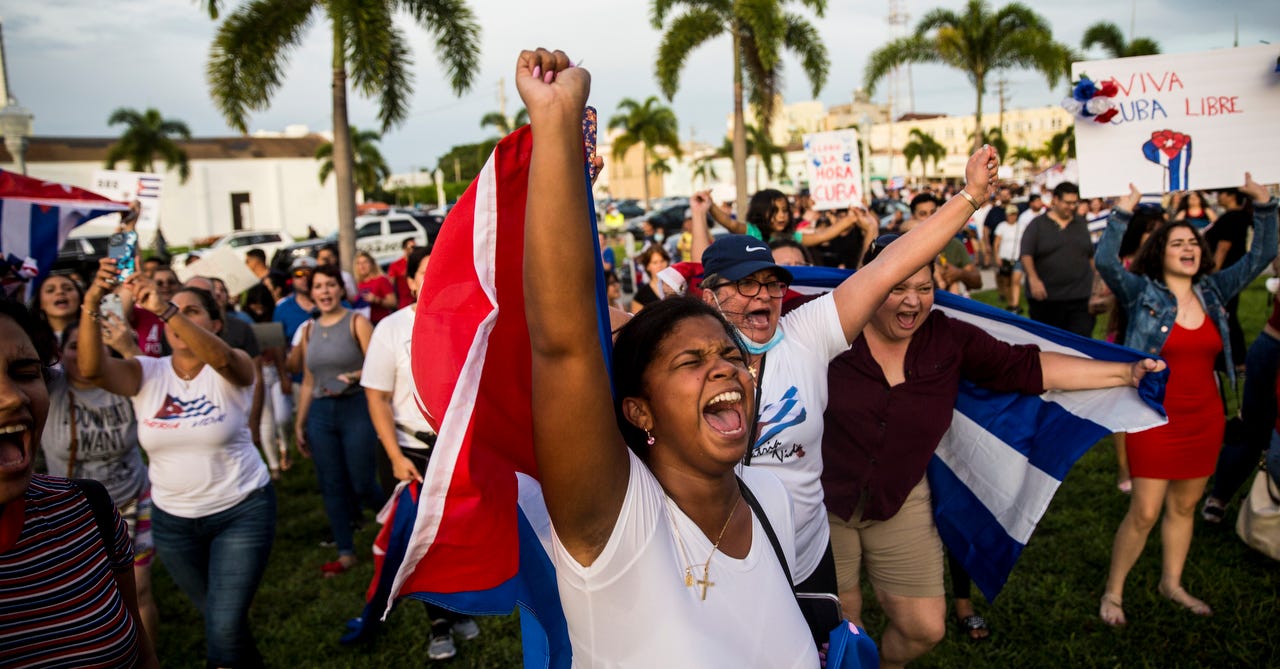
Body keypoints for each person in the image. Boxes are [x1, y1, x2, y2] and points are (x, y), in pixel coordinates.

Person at [518, 48, 816, 665]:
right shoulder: (615, 524)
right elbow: (565, 343)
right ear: (640, 411)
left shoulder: (773, 501)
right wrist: (555, 122)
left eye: (730, 353)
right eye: (689, 361)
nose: (725, 366)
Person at [820, 235, 1164, 668]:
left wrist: (1125, 373)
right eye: (896, 288)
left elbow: (1027, 368)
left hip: (900, 501)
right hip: (822, 505)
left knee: (925, 628)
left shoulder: (947, 338)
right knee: (843, 630)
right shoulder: (828, 327)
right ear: (868, 283)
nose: (912, 303)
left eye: (924, 289)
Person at [692, 127, 1000, 597]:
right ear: (709, 297)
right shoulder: (680, 353)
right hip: (718, 562)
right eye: (743, 285)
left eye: (771, 284)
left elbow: (890, 267)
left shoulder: (807, 332)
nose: (763, 297)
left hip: (805, 557)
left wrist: (971, 196)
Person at [1094, 177, 1277, 626]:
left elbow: (1260, 255)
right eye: (1178, 243)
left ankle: (1171, 583)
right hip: (1154, 419)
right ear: (1160, 251)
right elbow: (1105, 260)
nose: (1189, 249)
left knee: (1182, 507)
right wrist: (1123, 211)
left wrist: (1265, 204)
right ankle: (1113, 593)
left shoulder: (1213, 292)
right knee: (1146, 511)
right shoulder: (1142, 293)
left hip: (1204, 418)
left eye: (1193, 242)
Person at [79, 260, 274, 667]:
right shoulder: (145, 372)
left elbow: (222, 361)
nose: (178, 317)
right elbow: (92, 369)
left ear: (215, 324)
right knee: (223, 621)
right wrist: (93, 301)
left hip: (240, 511)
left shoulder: (233, 363)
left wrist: (165, 306)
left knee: (222, 626)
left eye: (192, 311)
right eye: (172, 312)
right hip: (174, 523)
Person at [0, 299, 159, 669]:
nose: (11, 398)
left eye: (24, 372)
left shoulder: (85, 509)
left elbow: (138, 648)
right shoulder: (61, 391)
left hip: (129, 500)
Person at [360, 246, 480, 659]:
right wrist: (395, 456)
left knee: (453, 535)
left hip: (454, 450)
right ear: (410, 281)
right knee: (420, 539)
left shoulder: (465, 323)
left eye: (440, 271)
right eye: (424, 273)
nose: (432, 279)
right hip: (409, 451)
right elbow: (376, 398)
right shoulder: (390, 329)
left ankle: (455, 605)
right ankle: (439, 624)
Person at [40, 318, 160, 645]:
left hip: (132, 500)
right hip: (71, 512)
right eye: (74, 346)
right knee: (83, 597)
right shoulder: (50, 386)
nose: (83, 354)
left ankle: (144, 656)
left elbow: (154, 376)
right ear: (59, 353)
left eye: (92, 345)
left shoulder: (123, 381)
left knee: (139, 590)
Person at [293, 265, 382, 575]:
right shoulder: (308, 330)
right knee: (331, 483)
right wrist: (299, 422)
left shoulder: (357, 322)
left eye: (331, 285)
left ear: (341, 290)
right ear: (312, 292)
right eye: (319, 286)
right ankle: (345, 551)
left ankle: (397, 523)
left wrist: (355, 375)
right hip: (321, 412)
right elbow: (307, 379)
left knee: (361, 482)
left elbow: (378, 365)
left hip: (355, 407)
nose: (325, 292)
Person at [707, 187, 859, 248]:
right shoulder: (753, 232)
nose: (781, 215)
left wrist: (851, 219)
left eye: (785, 210)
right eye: (774, 211)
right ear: (760, 212)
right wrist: (710, 205)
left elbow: (821, 235)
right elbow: (730, 224)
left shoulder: (792, 237)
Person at [1206, 187, 1253, 371]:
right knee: (1229, 313)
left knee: (1226, 314)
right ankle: (1235, 358)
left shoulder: (1231, 218)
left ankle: (1236, 359)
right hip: (1232, 270)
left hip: (1223, 272)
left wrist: (1214, 271)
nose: (1218, 197)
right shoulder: (1239, 216)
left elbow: (1223, 247)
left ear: (1231, 196)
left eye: (1221, 193)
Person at [901, 194, 981, 294]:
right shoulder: (903, 244)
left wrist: (959, 274)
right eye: (923, 214)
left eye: (933, 213)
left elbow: (977, 282)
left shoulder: (954, 244)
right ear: (912, 217)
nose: (929, 218)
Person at [30, 273, 84, 342]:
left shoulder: (98, 332)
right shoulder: (30, 340)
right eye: (50, 290)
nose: (60, 292)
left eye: (68, 289)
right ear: (40, 303)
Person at [353, 251, 397, 325]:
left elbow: (393, 303)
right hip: (366, 323)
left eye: (365, 262)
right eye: (358, 263)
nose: (362, 266)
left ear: (372, 264)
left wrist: (376, 300)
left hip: (381, 322)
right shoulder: (359, 284)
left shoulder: (381, 280)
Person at [629, 245, 672, 314]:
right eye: (655, 262)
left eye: (662, 261)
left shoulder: (678, 288)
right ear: (647, 266)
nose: (660, 265)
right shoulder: (640, 297)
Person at [385, 238, 417, 310]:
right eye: (412, 247)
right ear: (405, 249)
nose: (414, 250)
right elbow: (390, 285)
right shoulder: (396, 265)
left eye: (415, 247)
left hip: (418, 300)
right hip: (404, 304)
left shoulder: (418, 263)